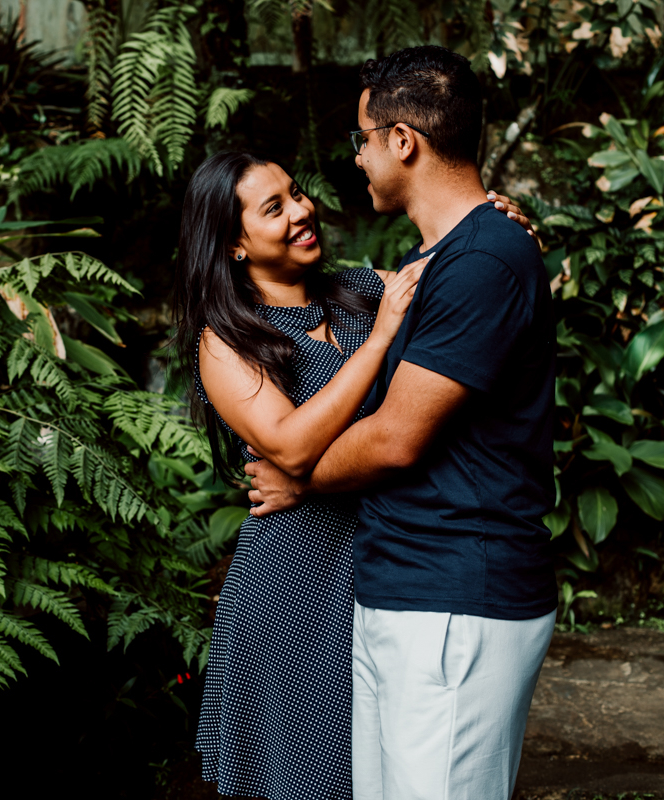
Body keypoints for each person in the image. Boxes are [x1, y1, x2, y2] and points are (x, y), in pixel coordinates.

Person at [244, 46, 559, 800]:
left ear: (402, 141)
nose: (357, 159)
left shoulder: (484, 258)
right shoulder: (436, 260)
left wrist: (298, 474)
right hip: (403, 587)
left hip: (457, 597)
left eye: (361, 139)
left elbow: (395, 437)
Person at [176, 150, 533, 800]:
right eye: (274, 207)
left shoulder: (360, 289)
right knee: (312, 777)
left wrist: (497, 223)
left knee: (382, 773)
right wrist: (376, 344)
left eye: (297, 194)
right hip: (293, 584)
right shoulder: (227, 341)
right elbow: (287, 446)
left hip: (380, 568)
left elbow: (466, 271)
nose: (302, 211)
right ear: (232, 243)